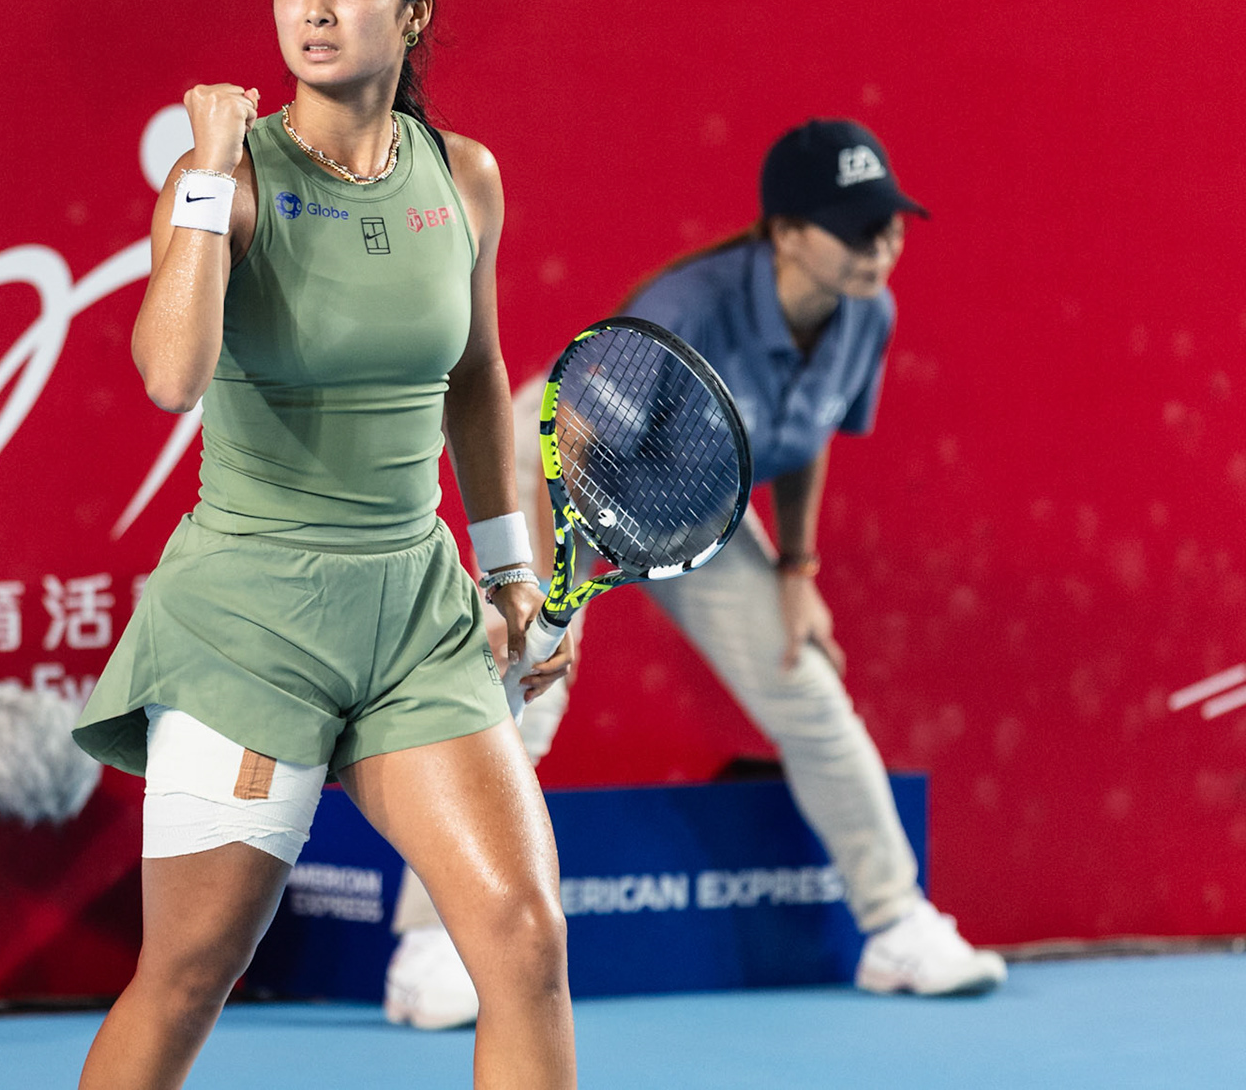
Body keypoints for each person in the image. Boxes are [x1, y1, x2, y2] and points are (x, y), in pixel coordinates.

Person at [71, 0, 577, 1089]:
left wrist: (510, 564)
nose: (314, 9)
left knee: (525, 941)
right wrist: (201, 172)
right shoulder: (228, 182)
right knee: (190, 974)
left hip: (416, 613)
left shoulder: (465, 177)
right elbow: (167, 373)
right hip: (251, 625)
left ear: (411, 15)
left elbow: (478, 371)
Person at [384, 120, 1008, 1029]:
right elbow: (574, 443)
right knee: (522, 702)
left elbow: (806, 435)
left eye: (890, 223)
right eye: (855, 225)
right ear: (787, 233)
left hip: (690, 503)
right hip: (562, 475)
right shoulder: (689, 306)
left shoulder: (867, 312)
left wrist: (797, 568)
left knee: (809, 690)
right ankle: (430, 946)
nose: (882, 245)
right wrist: (539, 595)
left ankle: (897, 929)